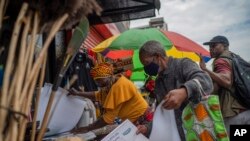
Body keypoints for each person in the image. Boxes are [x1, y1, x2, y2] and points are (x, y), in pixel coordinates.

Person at [136, 40, 213, 140]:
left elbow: (206, 81)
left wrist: (185, 91)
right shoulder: (158, 82)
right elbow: (162, 113)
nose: (146, 68)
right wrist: (147, 128)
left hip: (199, 131)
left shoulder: (183, 64)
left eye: (147, 63)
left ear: (158, 56)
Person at [69, 62, 148, 133]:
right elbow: (97, 95)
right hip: (133, 119)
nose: (98, 84)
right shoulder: (110, 84)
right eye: (96, 81)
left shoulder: (119, 86)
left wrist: (88, 128)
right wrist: (78, 93)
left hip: (142, 119)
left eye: (100, 80)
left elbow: (108, 118)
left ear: (109, 76)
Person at [199, 35, 250, 133]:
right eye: (210, 46)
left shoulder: (221, 61)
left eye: (214, 45)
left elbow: (226, 81)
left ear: (225, 46)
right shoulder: (233, 57)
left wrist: (205, 69)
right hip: (245, 109)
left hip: (233, 114)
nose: (211, 49)